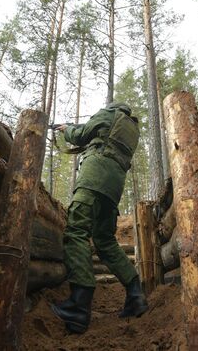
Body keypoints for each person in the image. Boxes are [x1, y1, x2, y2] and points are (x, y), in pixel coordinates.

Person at [51, 101, 148, 334]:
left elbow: (82, 134)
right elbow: (100, 134)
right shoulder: (131, 127)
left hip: (94, 179)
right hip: (114, 187)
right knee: (104, 240)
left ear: (113, 107)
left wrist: (66, 130)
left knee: (76, 232)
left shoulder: (108, 114)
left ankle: (79, 305)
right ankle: (136, 296)